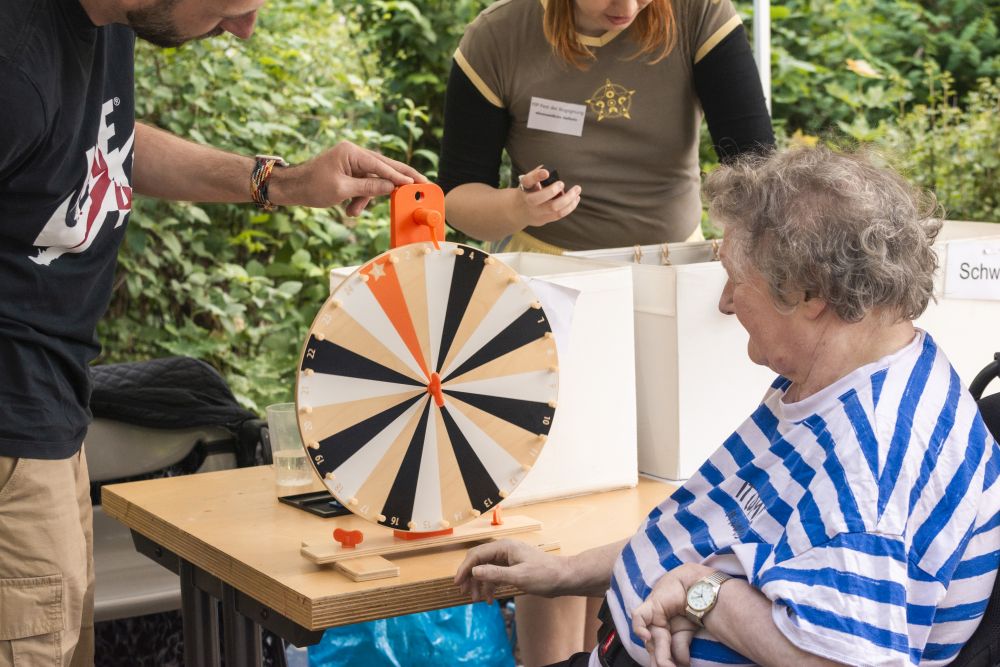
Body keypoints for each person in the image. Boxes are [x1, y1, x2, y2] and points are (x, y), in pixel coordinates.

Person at [455, 145, 1000, 667]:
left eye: (737, 279)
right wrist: (565, 572)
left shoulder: (867, 460)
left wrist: (704, 595)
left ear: (810, 294)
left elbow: (853, 660)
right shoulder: (857, 373)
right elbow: (721, 535)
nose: (723, 300)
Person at [0, 1, 425, 665]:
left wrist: (280, 181)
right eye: (235, 7)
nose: (245, 28)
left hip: (49, 418)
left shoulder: (104, 20)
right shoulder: (14, 61)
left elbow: (103, 143)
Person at [437, 0, 774, 254]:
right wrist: (519, 207)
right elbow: (457, 197)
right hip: (545, 269)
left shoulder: (698, 11)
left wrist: (745, 259)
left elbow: (757, 167)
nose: (626, 8)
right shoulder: (497, 35)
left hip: (672, 262)